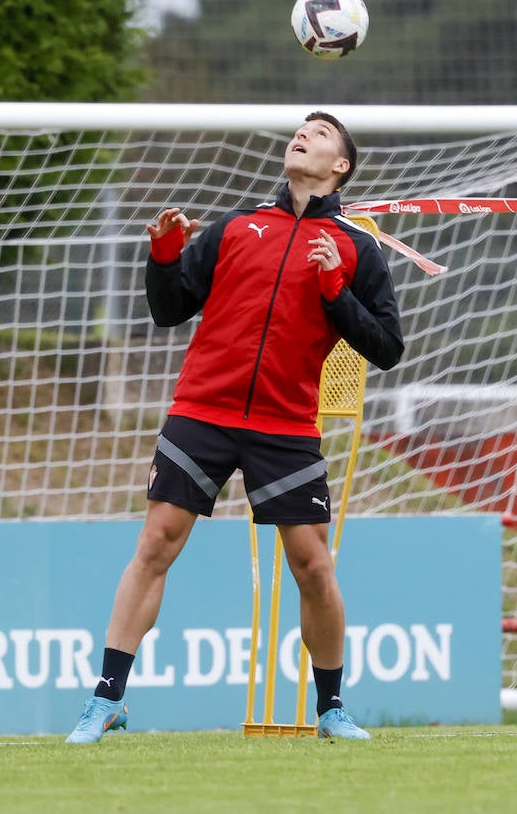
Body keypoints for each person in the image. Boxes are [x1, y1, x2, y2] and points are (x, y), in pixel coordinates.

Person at [66, 111, 404, 744]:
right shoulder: (235, 227)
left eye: (321, 134)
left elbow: (387, 346)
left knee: (314, 567)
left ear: (341, 167)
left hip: (286, 426)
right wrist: (164, 257)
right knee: (155, 545)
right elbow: (168, 310)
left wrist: (336, 289)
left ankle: (331, 708)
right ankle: (106, 699)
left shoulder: (358, 249)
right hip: (201, 412)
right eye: (300, 128)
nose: (303, 136)